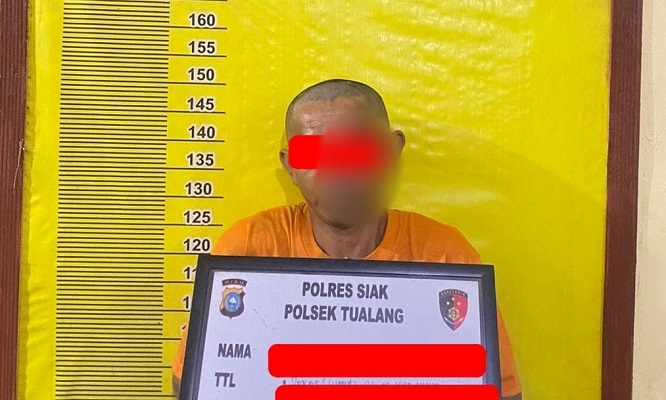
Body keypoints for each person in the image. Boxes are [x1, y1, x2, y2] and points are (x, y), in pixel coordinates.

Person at [171, 79, 522, 399]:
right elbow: (192, 383)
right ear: (291, 166)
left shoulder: (445, 256)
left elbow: (501, 392)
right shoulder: (249, 249)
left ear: (390, 152)